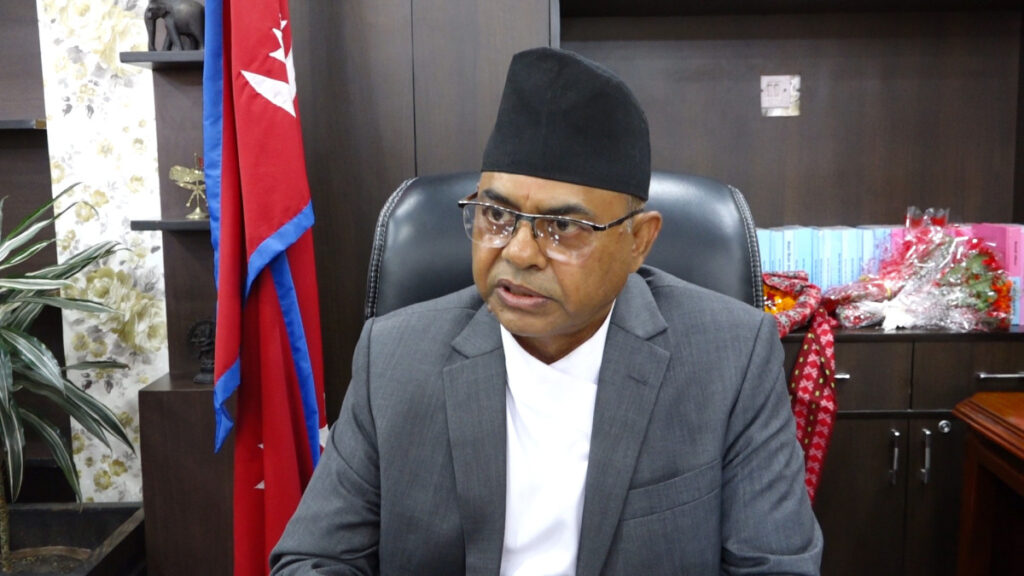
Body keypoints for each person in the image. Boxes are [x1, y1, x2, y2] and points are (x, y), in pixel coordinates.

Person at [270, 46, 822, 575]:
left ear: (639, 242)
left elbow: (777, 566)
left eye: (563, 226)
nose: (518, 253)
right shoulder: (393, 359)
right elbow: (312, 560)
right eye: (496, 215)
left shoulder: (731, 360)